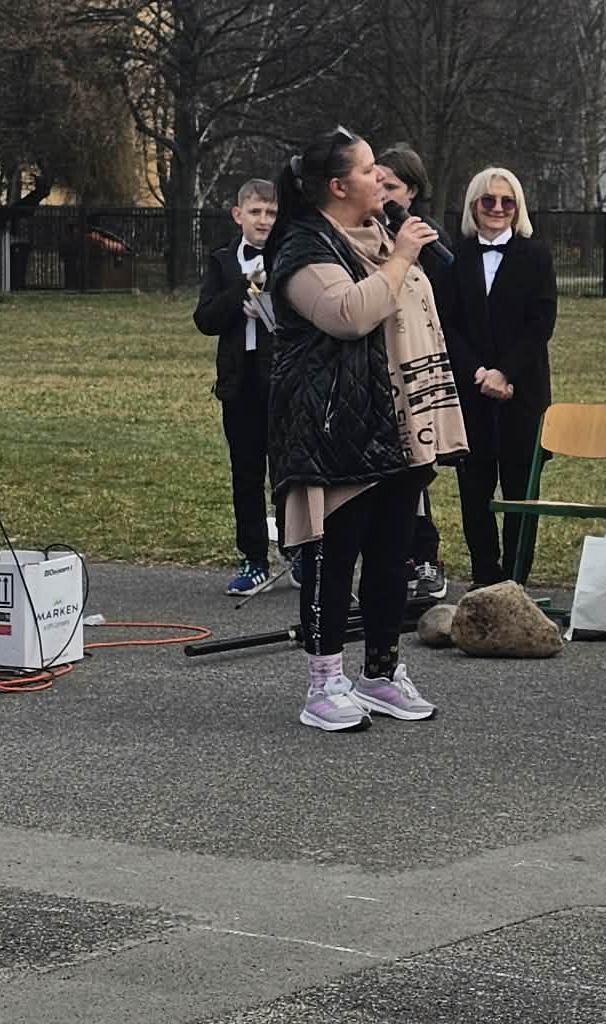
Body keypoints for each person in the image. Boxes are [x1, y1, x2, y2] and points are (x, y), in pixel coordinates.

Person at [265, 127, 465, 732]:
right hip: (334, 430)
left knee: (390, 555)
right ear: (337, 186)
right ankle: (324, 683)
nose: (380, 177)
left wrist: (398, 252)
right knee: (335, 557)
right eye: (368, 168)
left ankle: (380, 673)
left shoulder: (380, 234)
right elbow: (347, 315)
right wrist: (401, 257)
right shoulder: (302, 248)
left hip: (396, 424)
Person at [436, 165, 558, 590]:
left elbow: (541, 323)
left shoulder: (536, 256)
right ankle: (484, 577)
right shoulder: (454, 258)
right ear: (474, 206)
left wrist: (505, 372)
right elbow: (447, 324)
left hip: (522, 391)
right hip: (471, 392)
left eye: (508, 201)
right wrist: (479, 373)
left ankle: (515, 581)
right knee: (475, 489)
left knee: (521, 489)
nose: (498, 208)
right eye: (488, 200)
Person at [376, 145, 457, 601]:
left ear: (411, 191)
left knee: (417, 469)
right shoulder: (366, 232)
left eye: (390, 186)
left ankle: (424, 557)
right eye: (376, 183)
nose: (382, 193)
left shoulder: (428, 237)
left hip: (421, 364)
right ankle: (390, 559)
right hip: (379, 365)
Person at [193, 178, 278, 596]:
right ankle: (254, 557)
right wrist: (242, 293)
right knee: (246, 473)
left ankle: (300, 552)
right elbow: (205, 318)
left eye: (271, 213)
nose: (264, 220)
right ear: (238, 214)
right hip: (238, 383)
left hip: (280, 381)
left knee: (289, 472)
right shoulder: (223, 261)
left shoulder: (289, 255)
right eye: (256, 212)